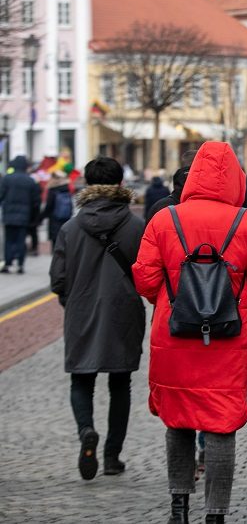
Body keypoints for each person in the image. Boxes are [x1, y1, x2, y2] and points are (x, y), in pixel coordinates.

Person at [133, 142, 247, 524]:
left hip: (174, 337)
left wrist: (168, 300)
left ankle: (179, 508)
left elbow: (145, 278)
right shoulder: (246, 222)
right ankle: (215, 514)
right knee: (221, 424)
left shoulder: (165, 219)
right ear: (235, 179)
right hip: (227, 341)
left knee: (177, 420)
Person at [49, 157, 146, 480]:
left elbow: (58, 279)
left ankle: (86, 431)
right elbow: (147, 274)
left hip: (81, 309)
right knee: (121, 382)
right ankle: (112, 456)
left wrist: (72, 300)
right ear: (120, 184)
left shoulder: (70, 227)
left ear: (87, 185)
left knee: (81, 378)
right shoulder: (135, 225)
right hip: (124, 311)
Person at [0, 155, 40, 273]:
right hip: (24, 216)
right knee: (21, 240)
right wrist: (34, 218)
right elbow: (35, 202)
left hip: (8, 215)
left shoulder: (7, 179)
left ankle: (8, 263)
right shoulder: (30, 181)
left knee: (8, 240)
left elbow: (1, 195)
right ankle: (20, 265)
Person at [41, 170, 72, 247]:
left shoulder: (53, 190)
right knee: (64, 236)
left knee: (55, 238)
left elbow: (49, 205)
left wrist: (42, 216)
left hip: (54, 217)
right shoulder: (66, 188)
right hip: (65, 217)